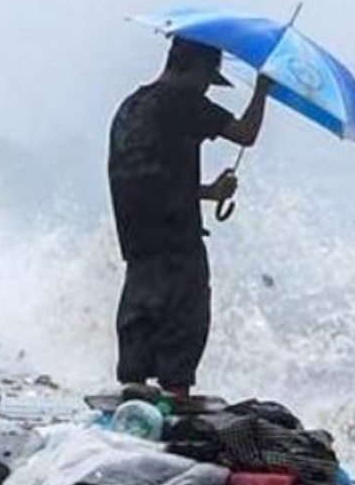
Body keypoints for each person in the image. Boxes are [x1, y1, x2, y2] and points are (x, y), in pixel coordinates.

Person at [108, 37, 271, 398]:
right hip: (177, 243)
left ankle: (132, 399)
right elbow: (246, 134)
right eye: (206, 78)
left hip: (137, 241)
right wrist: (262, 90)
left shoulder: (131, 107)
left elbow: (150, 175)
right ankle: (175, 400)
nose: (205, 87)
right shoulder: (183, 103)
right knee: (183, 325)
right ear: (192, 68)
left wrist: (209, 192)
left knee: (139, 323)